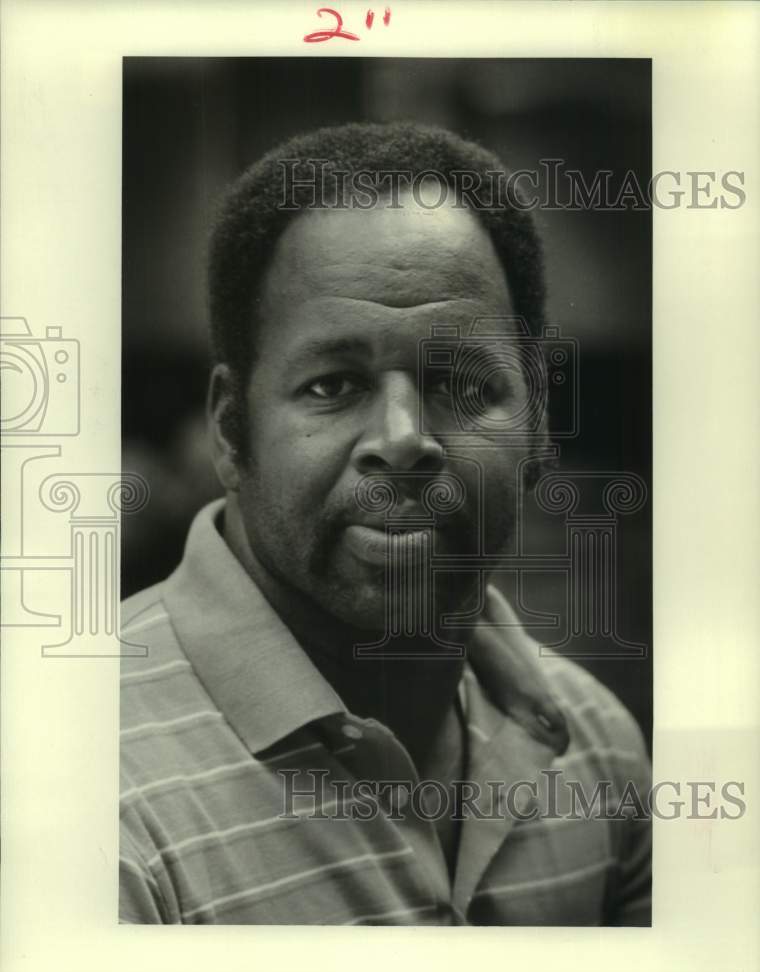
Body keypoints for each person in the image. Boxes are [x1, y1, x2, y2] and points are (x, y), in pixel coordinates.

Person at [119, 122, 651, 926]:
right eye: (333, 386)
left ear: (539, 423)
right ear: (232, 432)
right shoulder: (84, 781)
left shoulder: (600, 749)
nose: (403, 440)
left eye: (465, 385)